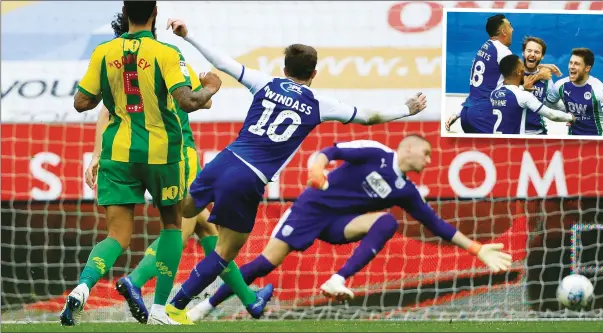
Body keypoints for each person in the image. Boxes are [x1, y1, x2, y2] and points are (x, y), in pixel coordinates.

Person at [162, 19, 428, 324]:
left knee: (183, 213)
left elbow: (223, 62)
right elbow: (368, 117)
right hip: (248, 177)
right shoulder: (319, 103)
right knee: (224, 251)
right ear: (313, 74)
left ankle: (153, 268)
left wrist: (188, 35)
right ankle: (175, 307)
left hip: (223, 160)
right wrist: (406, 109)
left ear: (284, 67)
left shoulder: (265, 82)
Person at [185, 136, 513, 321]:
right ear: (409, 148)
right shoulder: (376, 153)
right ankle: (204, 308)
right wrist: (317, 167)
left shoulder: (406, 190)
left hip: (339, 225)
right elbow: (330, 151)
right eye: (426, 153)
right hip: (310, 209)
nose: (429, 160)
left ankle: (338, 278)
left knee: (386, 221)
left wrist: (477, 248)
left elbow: (436, 225)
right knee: (265, 263)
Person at [83, 12, 267, 325]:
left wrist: (97, 153)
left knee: (204, 227)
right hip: (176, 155)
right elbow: (199, 100)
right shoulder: (167, 59)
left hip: (131, 153)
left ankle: (251, 300)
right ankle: (138, 281)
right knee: (181, 225)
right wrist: (209, 85)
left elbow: (102, 111)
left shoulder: (115, 62)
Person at [61, 1, 221, 326]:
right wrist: (210, 87)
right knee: (172, 226)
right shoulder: (167, 53)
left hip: (118, 154)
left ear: (124, 14)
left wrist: (109, 92)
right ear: (154, 14)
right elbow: (189, 102)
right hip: (161, 154)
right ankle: (160, 309)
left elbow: (81, 102)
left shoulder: (104, 52)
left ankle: (83, 285)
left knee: (117, 235)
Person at [445, 14, 513, 133]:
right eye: (510, 26)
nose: (513, 29)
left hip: (467, 113)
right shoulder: (503, 52)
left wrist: (457, 113)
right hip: (484, 115)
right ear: (504, 31)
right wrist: (540, 73)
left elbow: (479, 90)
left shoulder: (484, 48)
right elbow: (518, 80)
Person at [488, 55, 575, 134]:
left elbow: (511, 94)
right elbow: (552, 115)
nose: (524, 70)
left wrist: (523, 88)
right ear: (518, 72)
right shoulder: (524, 96)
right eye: (522, 67)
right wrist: (570, 117)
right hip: (515, 145)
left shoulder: (494, 93)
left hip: (497, 144)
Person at [546, 48, 603, 136]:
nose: (571, 67)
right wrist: (566, 113)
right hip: (573, 141)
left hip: (597, 141)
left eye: (577, 64)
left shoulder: (600, 89)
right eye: (570, 62)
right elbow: (549, 104)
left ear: (587, 68)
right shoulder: (560, 85)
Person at [520, 36, 558, 135]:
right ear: (523, 53)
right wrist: (538, 75)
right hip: (515, 133)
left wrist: (569, 115)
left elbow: (553, 103)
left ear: (542, 56)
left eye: (537, 52)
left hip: (538, 133)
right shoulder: (514, 74)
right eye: (529, 51)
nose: (532, 54)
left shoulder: (546, 79)